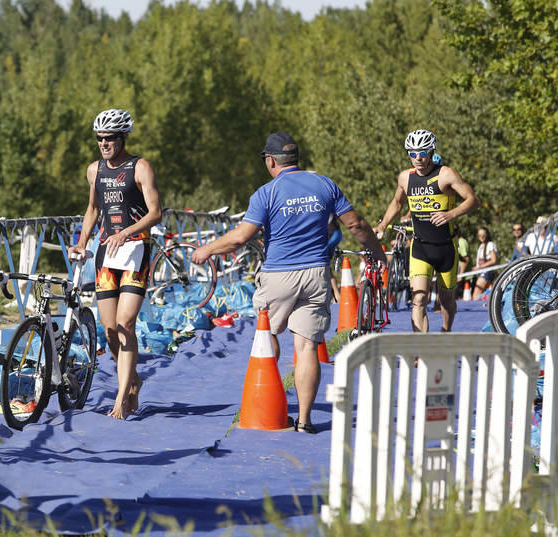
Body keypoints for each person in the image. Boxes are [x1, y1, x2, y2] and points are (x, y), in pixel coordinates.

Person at [192, 131, 386, 433]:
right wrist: (377, 253)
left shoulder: (266, 193)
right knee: (308, 346)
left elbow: (242, 236)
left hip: (279, 273)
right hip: (316, 274)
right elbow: (356, 224)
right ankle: (305, 420)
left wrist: (207, 249)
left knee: (267, 335)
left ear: (271, 161)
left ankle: (268, 409)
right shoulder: (324, 184)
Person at [68, 109, 162, 420]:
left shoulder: (141, 167)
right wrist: (82, 242)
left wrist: (127, 232)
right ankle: (132, 379)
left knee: (126, 323)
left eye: (110, 138)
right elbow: (92, 209)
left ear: (123, 138)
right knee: (109, 331)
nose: (104, 143)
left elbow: (155, 213)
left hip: (135, 252)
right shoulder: (94, 171)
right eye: (99, 139)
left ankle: (121, 398)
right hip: (106, 254)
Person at [375, 129, 480, 331]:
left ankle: (446, 331)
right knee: (419, 298)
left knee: (446, 300)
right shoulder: (405, 178)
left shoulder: (446, 174)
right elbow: (397, 203)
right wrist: (382, 225)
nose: (418, 158)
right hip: (420, 247)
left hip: (445, 247)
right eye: (413, 154)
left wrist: (451, 214)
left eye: (422, 153)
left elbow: (473, 200)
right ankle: (420, 348)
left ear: (431, 151)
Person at [472, 226, 498, 299]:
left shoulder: (490, 244)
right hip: (481, 273)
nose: (482, 237)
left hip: (487, 272)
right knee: (480, 297)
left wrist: (480, 267)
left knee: (475, 296)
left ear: (487, 235)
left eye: (483, 235)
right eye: (479, 235)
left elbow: (493, 260)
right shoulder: (481, 246)